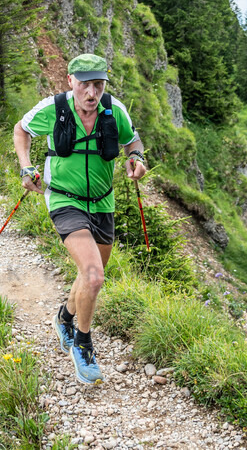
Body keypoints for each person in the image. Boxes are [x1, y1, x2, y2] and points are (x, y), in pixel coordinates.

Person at [13, 53, 147, 384]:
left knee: (89, 275)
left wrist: (137, 159)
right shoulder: (54, 109)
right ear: (70, 81)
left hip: (103, 203)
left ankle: (65, 317)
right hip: (64, 199)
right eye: (84, 84)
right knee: (94, 277)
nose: (91, 93)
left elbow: (132, 141)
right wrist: (26, 166)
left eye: (98, 85)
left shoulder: (114, 110)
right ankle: (83, 345)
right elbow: (21, 130)